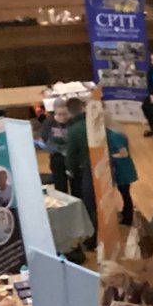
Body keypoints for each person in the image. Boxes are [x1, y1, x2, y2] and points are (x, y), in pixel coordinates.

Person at [63, 97, 96, 234]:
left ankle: (91, 236)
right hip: (101, 165)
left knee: (88, 203)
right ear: (83, 108)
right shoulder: (95, 122)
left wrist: (69, 170)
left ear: (69, 112)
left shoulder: (73, 130)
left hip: (85, 169)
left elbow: (71, 154)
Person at [106, 127, 137, 226]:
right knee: (124, 193)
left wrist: (109, 156)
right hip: (121, 169)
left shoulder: (114, 136)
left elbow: (124, 153)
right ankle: (126, 212)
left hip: (123, 169)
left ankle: (128, 218)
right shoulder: (113, 134)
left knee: (125, 194)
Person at [39, 100, 72, 193]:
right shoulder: (49, 123)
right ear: (55, 113)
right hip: (57, 156)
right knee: (60, 183)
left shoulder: (72, 122)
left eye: (65, 114)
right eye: (59, 114)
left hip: (71, 155)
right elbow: (45, 140)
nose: (63, 117)